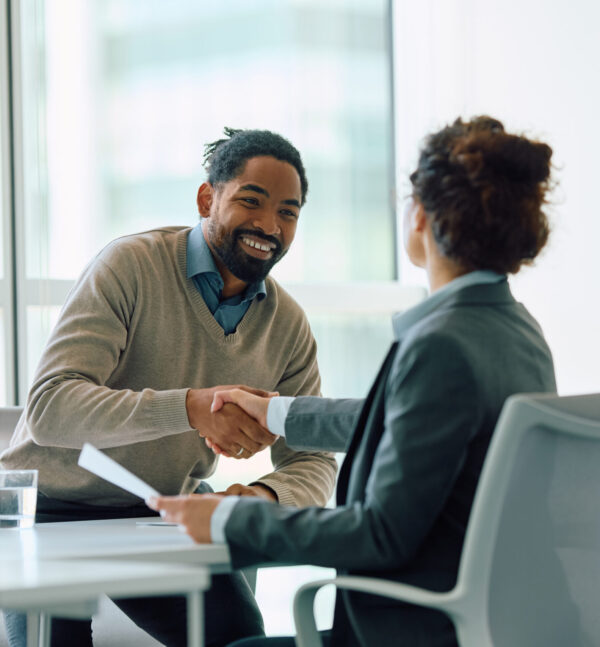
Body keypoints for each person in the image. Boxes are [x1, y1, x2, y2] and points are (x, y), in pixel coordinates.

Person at [148, 116, 558, 647]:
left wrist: (229, 520)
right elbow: (409, 418)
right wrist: (275, 413)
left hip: (405, 630)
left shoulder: (441, 345)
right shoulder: (519, 334)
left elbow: (377, 533)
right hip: (496, 622)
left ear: (422, 218)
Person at [0, 128, 337, 647]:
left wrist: (265, 493)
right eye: (252, 201)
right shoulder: (130, 266)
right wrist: (190, 408)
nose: (269, 225)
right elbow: (50, 407)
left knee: (240, 640)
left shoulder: (287, 324)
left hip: (156, 514)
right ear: (208, 198)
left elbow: (312, 459)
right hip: (45, 514)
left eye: (288, 213)